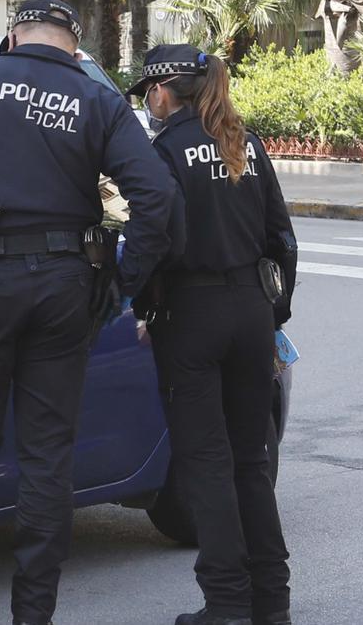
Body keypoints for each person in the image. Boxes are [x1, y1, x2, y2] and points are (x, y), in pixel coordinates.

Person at [0, 0, 174, 625]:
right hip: (66, 288)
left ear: (13, 39)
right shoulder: (96, 100)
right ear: (74, 47)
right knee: (48, 458)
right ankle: (33, 615)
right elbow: (158, 196)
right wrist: (125, 280)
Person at [126, 45, 297, 625]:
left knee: (206, 464)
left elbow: (154, 241)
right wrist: (276, 316)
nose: (148, 103)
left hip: (191, 317)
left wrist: (141, 303)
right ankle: (272, 602)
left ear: (163, 92)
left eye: (148, 92)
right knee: (252, 462)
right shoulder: (246, 144)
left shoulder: (165, 151)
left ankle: (225, 604)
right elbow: (284, 240)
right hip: (251, 311)